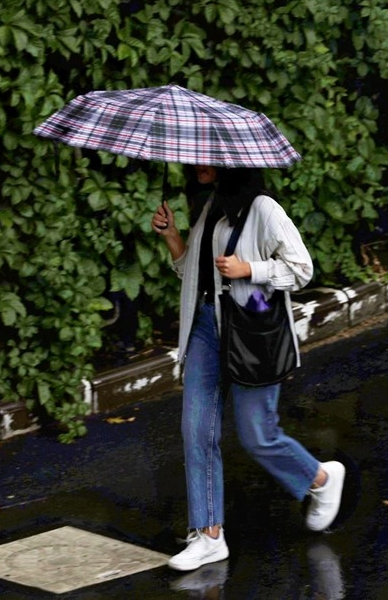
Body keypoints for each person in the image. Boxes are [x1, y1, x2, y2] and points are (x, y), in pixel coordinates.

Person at [151, 165, 346, 573]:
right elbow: (194, 275)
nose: (200, 165)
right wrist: (172, 237)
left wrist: (251, 269)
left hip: (249, 334)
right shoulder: (210, 207)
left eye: (209, 159)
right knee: (196, 430)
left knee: (257, 436)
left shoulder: (263, 209)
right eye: (197, 158)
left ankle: (320, 479)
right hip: (205, 328)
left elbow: (302, 269)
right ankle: (209, 535)